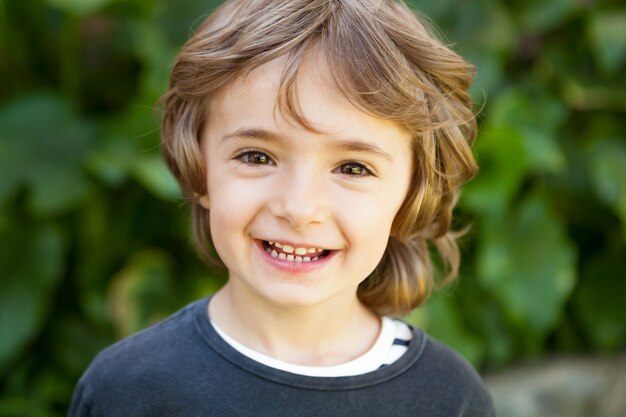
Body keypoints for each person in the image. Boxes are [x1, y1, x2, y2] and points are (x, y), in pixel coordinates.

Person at [69, 0, 495, 416]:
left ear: (411, 192)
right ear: (199, 169)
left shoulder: (448, 397)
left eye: (352, 167)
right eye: (257, 157)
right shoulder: (128, 389)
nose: (298, 208)